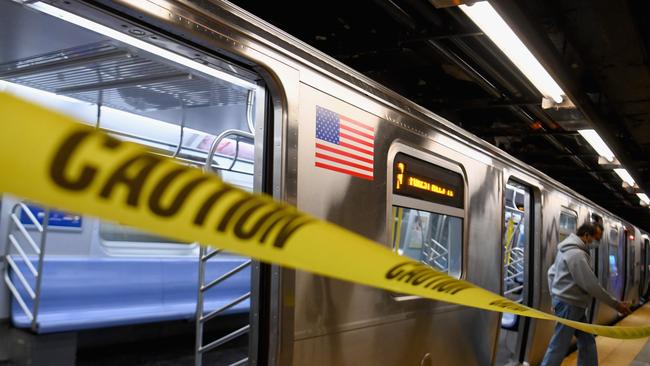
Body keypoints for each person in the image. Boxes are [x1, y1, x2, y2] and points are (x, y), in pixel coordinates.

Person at [541, 222, 631, 366]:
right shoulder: (577, 254)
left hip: (572, 305)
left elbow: (551, 273)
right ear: (587, 235)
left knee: (587, 341)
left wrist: (555, 298)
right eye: (597, 238)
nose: (598, 242)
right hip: (570, 306)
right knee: (558, 345)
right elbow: (591, 286)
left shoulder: (565, 249)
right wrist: (616, 305)